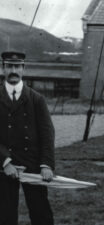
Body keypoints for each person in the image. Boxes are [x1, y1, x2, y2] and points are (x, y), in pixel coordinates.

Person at [0, 51, 55, 225]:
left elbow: (47, 134)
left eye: (17, 66)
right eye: (9, 66)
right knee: (5, 215)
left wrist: (46, 165)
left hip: (32, 164)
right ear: (2, 69)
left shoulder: (36, 99)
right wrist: (5, 162)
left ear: (23, 69)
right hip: (4, 167)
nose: (13, 70)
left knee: (41, 215)